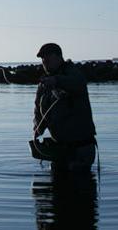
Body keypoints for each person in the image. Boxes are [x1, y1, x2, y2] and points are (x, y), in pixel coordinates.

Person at [32, 42, 97, 171]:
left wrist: (57, 81)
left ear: (58, 57)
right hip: (59, 149)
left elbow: (78, 83)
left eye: (47, 58)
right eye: (42, 59)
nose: (44, 62)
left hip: (81, 149)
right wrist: (37, 128)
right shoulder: (44, 84)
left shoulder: (73, 73)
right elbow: (38, 110)